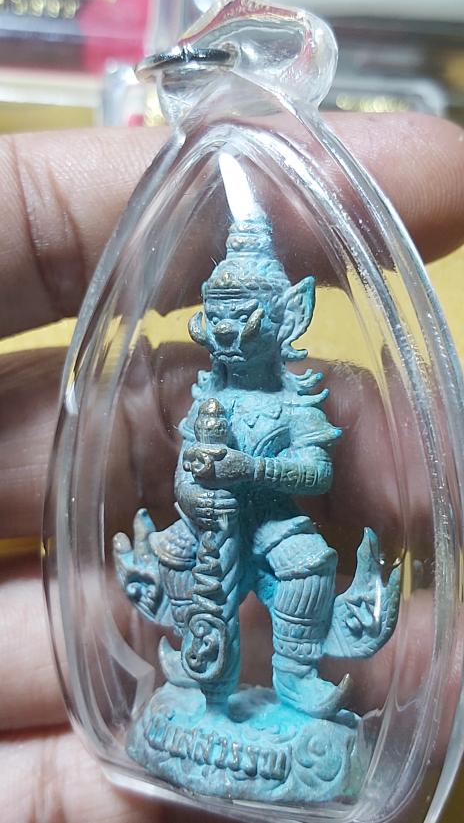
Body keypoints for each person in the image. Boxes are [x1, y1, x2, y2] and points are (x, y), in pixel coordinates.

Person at [0, 112, 463, 822]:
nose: (226, 329)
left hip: (274, 524)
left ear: (289, 316)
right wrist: (198, 493)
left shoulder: (293, 400)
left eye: (243, 314)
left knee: (307, 568)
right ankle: (201, 683)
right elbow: (188, 470)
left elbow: (312, 473)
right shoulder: (206, 400)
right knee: (189, 576)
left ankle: (295, 678)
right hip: (211, 525)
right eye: (216, 314)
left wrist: (249, 468)